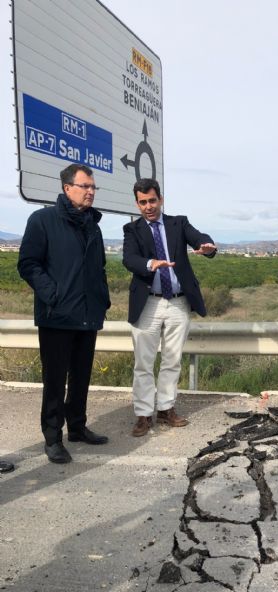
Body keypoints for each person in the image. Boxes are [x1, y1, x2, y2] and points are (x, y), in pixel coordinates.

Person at [18, 164, 111, 464]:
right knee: (55, 381)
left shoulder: (92, 226)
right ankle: (52, 438)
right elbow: (28, 264)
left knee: (81, 376)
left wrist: (103, 299)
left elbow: (98, 268)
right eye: (85, 186)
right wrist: (53, 295)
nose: (91, 191)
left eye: (93, 187)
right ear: (67, 188)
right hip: (57, 315)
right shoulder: (43, 220)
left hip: (87, 313)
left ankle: (78, 427)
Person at [123, 178, 216, 436]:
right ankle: (143, 415)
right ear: (137, 204)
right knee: (144, 362)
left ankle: (165, 409)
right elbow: (129, 259)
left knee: (172, 360)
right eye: (143, 202)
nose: (148, 206)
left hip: (178, 302)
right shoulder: (131, 230)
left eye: (152, 200)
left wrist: (206, 247)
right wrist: (151, 264)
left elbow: (199, 238)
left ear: (161, 199)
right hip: (148, 302)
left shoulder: (179, 223)